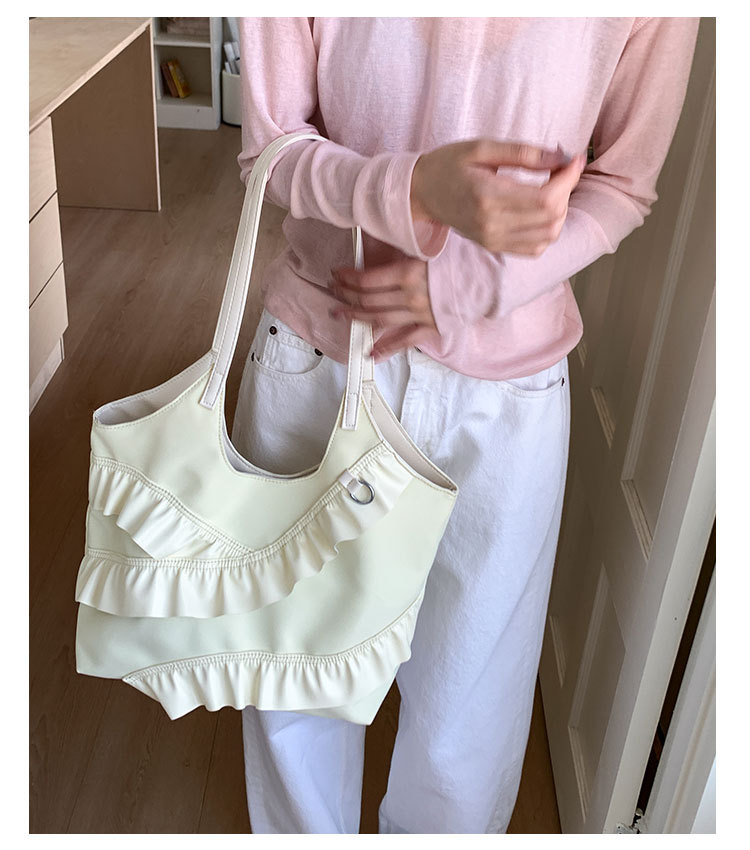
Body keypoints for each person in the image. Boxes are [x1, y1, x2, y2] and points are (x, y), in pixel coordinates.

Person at [231, 17, 700, 834]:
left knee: (468, 724)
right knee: (294, 685)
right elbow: (270, 147)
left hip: (506, 395)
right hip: (321, 356)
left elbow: (623, 184)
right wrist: (409, 188)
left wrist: (469, 286)